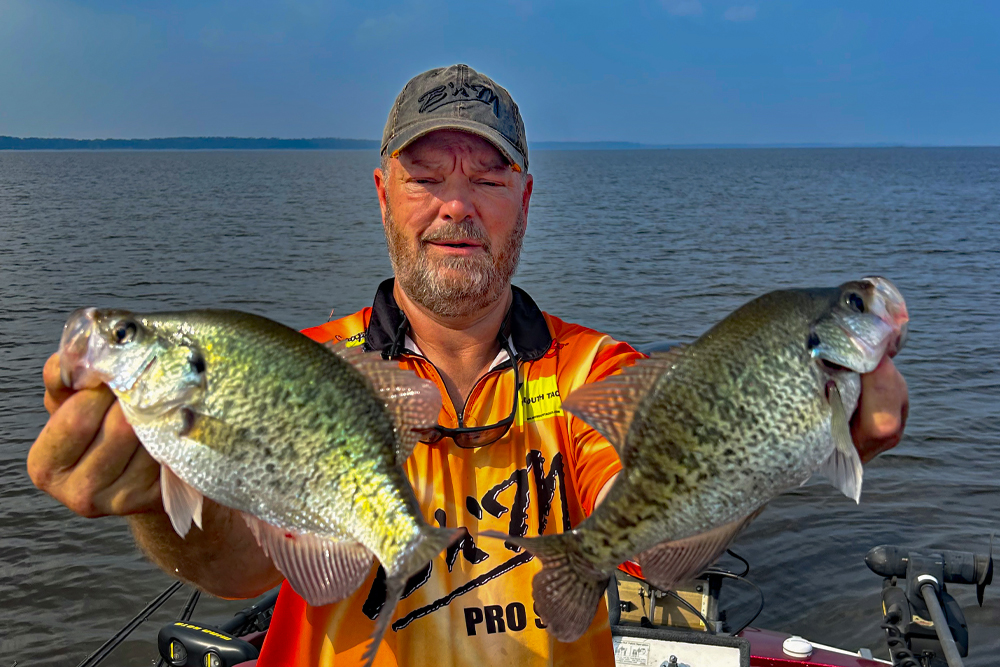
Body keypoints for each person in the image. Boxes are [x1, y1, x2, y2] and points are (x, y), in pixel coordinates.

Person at [27, 64, 909, 666]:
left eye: (489, 177)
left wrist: (777, 441)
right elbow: (241, 569)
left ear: (526, 198)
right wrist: (151, 494)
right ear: (383, 195)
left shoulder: (596, 369)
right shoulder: (306, 366)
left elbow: (644, 533)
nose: (456, 204)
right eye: (425, 175)